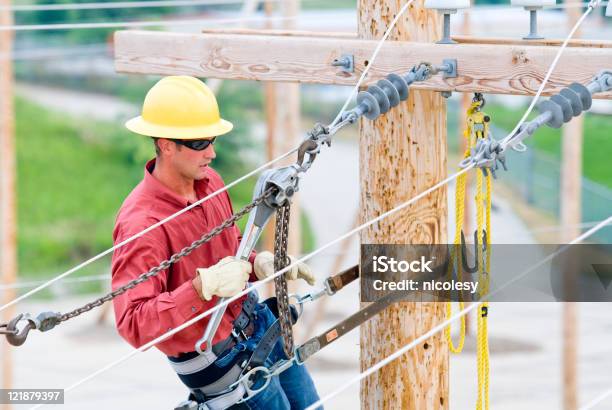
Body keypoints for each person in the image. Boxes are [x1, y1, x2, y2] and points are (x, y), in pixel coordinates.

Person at [111, 76, 321, 409]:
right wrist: (200, 288)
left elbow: (230, 249)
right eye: (199, 144)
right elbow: (134, 323)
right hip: (220, 361)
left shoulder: (210, 183)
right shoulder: (143, 223)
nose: (211, 152)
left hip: (261, 326)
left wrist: (256, 263)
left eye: (212, 140)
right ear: (166, 144)